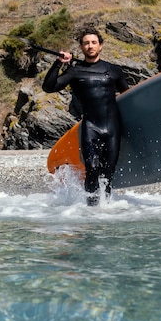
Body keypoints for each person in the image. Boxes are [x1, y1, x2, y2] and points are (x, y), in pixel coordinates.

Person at [42, 27, 129, 205]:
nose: (90, 46)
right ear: (81, 47)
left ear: (101, 46)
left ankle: (105, 205)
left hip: (113, 127)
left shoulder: (114, 71)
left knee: (108, 171)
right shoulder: (74, 71)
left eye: (94, 42)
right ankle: (91, 208)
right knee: (92, 168)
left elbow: (128, 96)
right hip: (91, 127)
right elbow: (49, 87)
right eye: (86, 43)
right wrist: (59, 63)